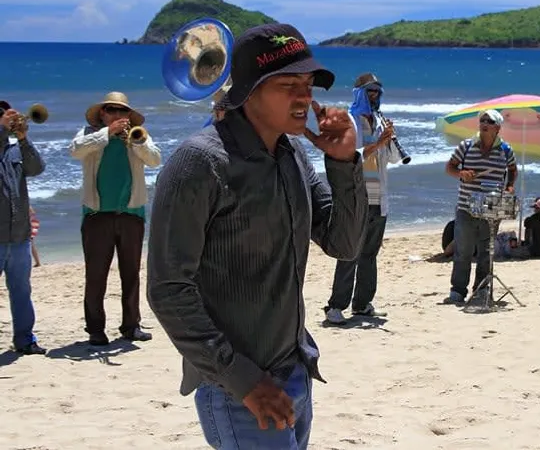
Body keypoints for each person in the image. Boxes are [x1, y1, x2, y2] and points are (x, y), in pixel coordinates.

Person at [146, 23, 368, 450]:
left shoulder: (292, 153)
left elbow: (344, 244)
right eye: (288, 85)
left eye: (308, 85)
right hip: (238, 391)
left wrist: (344, 162)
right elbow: (168, 289)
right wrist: (243, 380)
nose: (304, 97)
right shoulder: (199, 163)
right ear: (249, 90)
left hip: (296, 370)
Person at [68, 91, 162, 346]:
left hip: (131, 213)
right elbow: (75, 151)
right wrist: (107, 133)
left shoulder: (138, 135)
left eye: (123, 111)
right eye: (112, 110)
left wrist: (137, 143)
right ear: (102, 113)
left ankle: (131, 326)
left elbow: (155, 160)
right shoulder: (89, 133)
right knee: (96, 275)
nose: (118, 115)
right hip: (97, 215)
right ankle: (95, 329)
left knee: (131, 274)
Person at [324, 73, 402, 325]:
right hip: (356, 197)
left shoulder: (379, 121)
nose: (374, 95)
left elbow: (392, 159)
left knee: (369, 254)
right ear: (359, 93)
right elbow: (347, 155)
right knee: (350, 252)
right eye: (370, 91)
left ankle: (362, 304)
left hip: (379, 197)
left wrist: (389, 138)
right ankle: (336, 306)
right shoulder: (348, 121)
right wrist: (377, 143)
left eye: (377, 91)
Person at [443, 109, 517, 304]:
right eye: (482, 120)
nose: (484, 123)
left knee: (486, 252)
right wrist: (461, 174)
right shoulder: (466, 146)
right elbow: (449, 167)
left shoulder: (505, 150)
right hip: (466, 207)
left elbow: (512, 169)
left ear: (497, 128)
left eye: (489, 121)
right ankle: (458, 291)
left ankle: (481, 289)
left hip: (492, 208)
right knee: (463, 250)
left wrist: (509, 186)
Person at [0, 100, 47, 355]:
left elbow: (37, 168)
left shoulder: (15, 150)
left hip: (19, 236)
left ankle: (25, 339)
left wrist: (23, 139)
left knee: (21, 292)